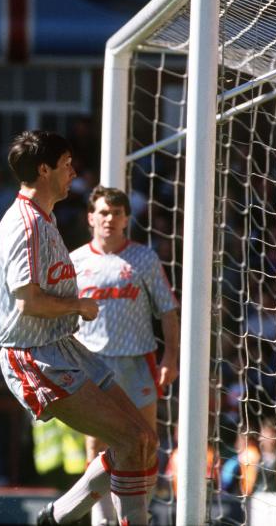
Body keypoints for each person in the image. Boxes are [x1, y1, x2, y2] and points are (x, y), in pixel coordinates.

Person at [0, 130, 159, 526]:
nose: (73, 171)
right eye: (66, 164)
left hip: (63, 347)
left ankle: (56, 517)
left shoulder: (44, 218)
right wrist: (78, 305)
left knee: (144, 440)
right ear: (44, 169)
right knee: (131, 441)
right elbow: (27, 301)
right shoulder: (25, 225)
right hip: (35, 357)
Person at [69, 185, 180, 525]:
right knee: (97, 444)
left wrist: (171, 357)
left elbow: (167, 311)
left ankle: (136, 516)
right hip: (93, 363)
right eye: (103, 212)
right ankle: (102, 521)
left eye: (116, 213)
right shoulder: (75, 261)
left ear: (126, 219)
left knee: (143, 442)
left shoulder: (143, 258)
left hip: (137, 361)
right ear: (91, 218)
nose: (109, 219)